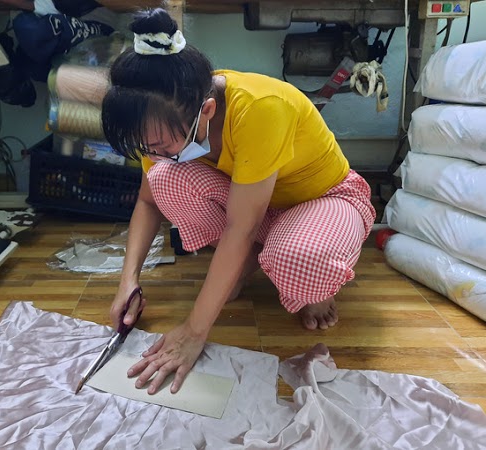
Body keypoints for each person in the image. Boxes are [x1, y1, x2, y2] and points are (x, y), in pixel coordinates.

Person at [101, 8, 376, 395]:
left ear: (207, 111)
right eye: (146, 147)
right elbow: (148, 202)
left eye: (161, 145)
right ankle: (247, 262)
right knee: (165, 178)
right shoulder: (161, 115)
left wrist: (195, 331)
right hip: (254, 208)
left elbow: (241, 227)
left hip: (323, 199)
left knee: (301, 261)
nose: (153, 153)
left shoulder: (261, 108)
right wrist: (128, 281)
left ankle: (312, 281)